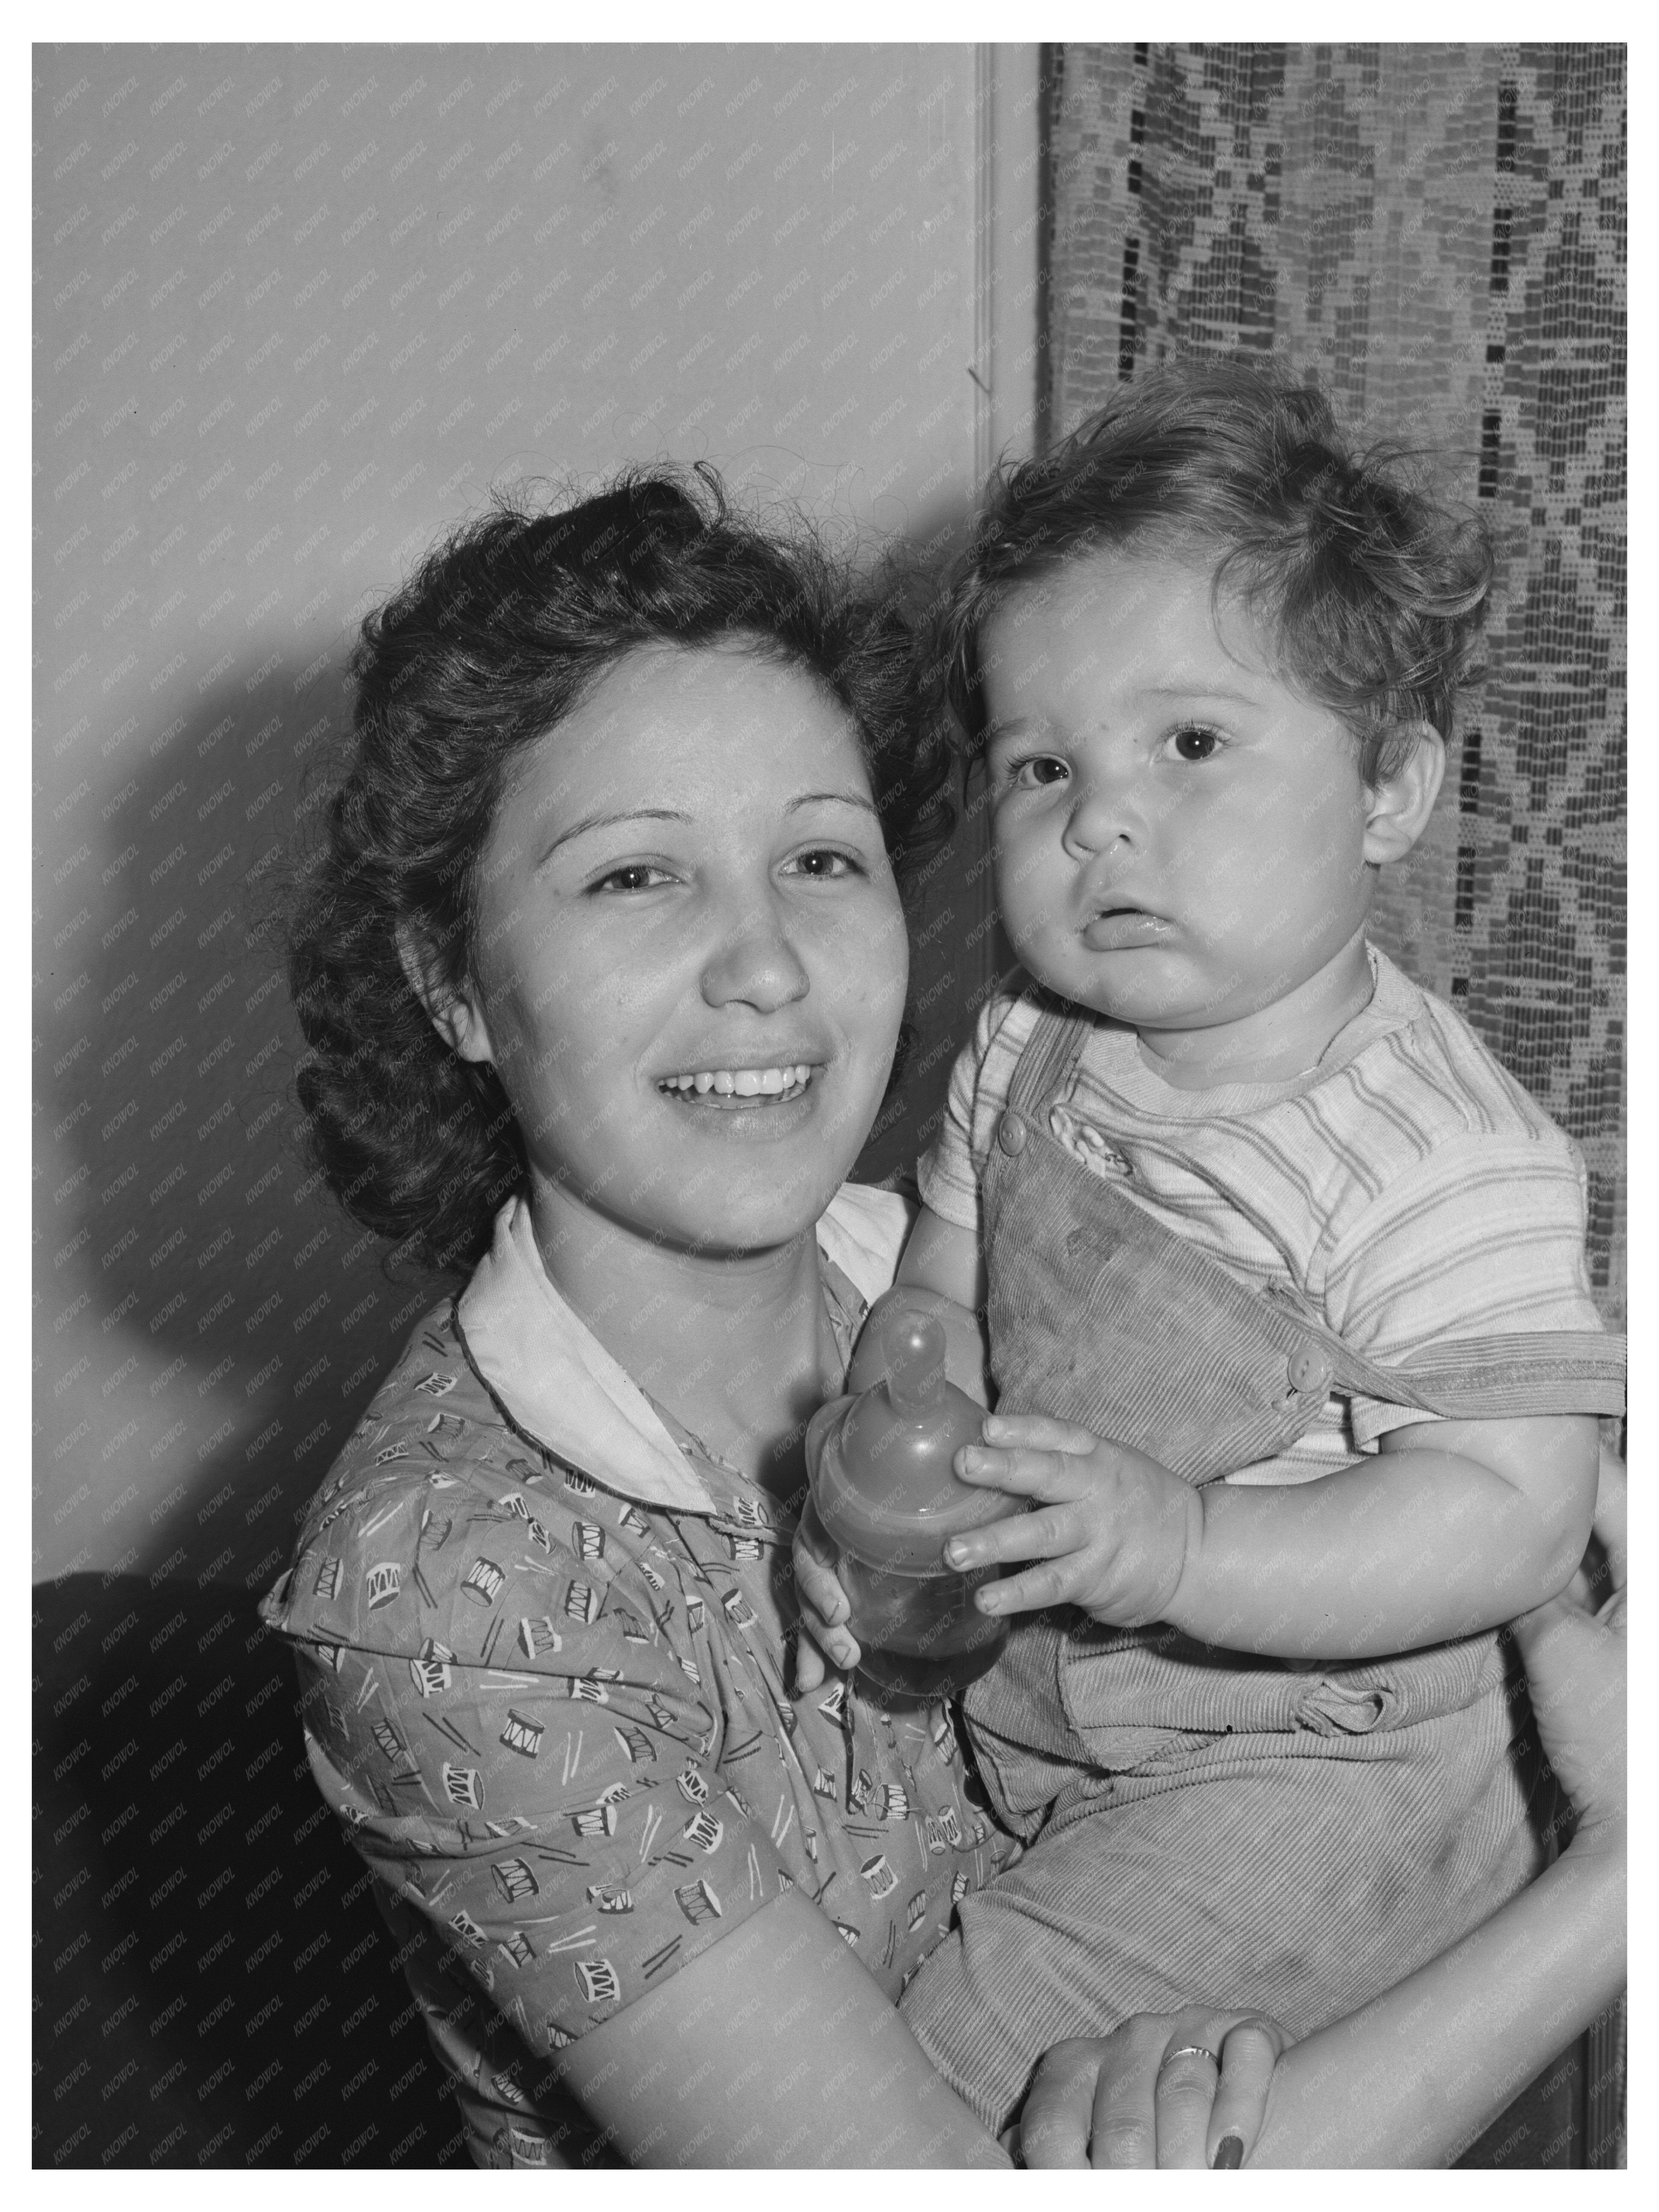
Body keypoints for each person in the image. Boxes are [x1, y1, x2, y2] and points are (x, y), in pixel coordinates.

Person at [262, 466, 1623, 2168]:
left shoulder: (1027, 1262)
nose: (766, 963)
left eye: (821, 857)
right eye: (634, 878)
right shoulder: (445, 1598)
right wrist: (1618, 1896)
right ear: (452, 980)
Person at [793, 359, 1625, 2133]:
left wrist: (1181, 1541)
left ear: (1392, 788)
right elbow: (941, 1282)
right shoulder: (1028, 1038)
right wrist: (886, 1472)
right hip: (1049, 1700)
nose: (1101, 818)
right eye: (1043, 764)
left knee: (915, 2095)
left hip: (1329, 1770)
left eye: (1190, 744)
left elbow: (1513, 1511)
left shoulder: (1439, 1157)